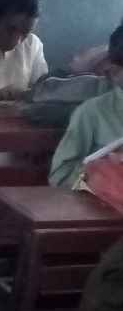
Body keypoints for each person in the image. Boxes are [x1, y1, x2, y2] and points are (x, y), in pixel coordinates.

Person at [50, 23, 123, 188]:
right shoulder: (92, 113)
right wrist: (102, 171)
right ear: (114, 72)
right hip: (104, 199)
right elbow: (60, 176)